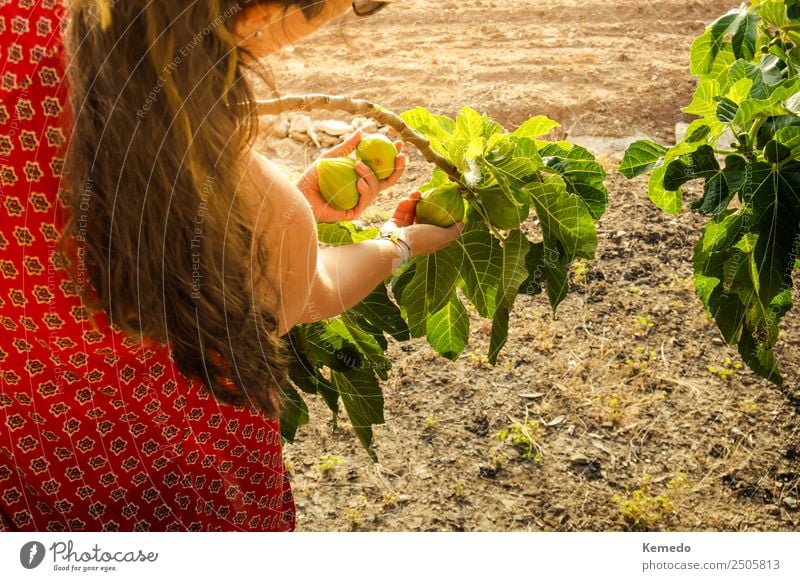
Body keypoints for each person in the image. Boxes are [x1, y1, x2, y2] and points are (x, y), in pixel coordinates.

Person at [0, 0, 461, 532]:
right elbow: (312, 291)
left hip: (35, 486)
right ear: (256, 13)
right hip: (187, 494)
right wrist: (396, 241)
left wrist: (255, 211)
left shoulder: (27, 27)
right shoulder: (194, 153)